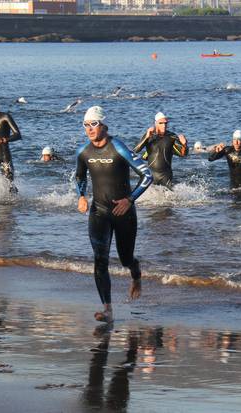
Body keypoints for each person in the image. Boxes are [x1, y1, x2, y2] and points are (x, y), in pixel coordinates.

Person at [76, 106, 153, 323]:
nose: (89, 129)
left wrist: (130, 200)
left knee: (125, 257)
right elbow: (80, 177)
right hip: (98, 212)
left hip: (124, 213)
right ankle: (108, 309)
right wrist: (81, 196)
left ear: (103, 126)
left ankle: (136, 274)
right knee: (100, 260)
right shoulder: (83, 152)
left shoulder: (118, 147)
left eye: (94, 124)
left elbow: (147, 175)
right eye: (86, 125)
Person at [133, 112, 188, 188]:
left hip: (166, 175)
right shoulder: (149, 135)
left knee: (170, 199)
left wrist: (184, 145)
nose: (164, 126)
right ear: (155, 124)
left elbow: (183, 154)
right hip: (152, 175)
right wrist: (146, 137)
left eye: (165, 123)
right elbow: (136, 150)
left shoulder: (172, 137)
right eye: (161, 123)